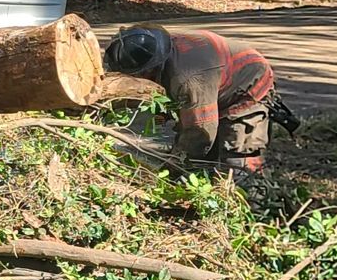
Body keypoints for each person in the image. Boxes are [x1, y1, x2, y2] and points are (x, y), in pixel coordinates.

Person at [103, 26, 279, 171]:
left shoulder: (189, 79)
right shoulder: (156, 47)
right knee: (204, 161)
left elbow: (200, 132)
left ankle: (254, 203)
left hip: (247, 86)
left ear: (147, 70)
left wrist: (173, 166)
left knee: (237, 164)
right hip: (214, 82)